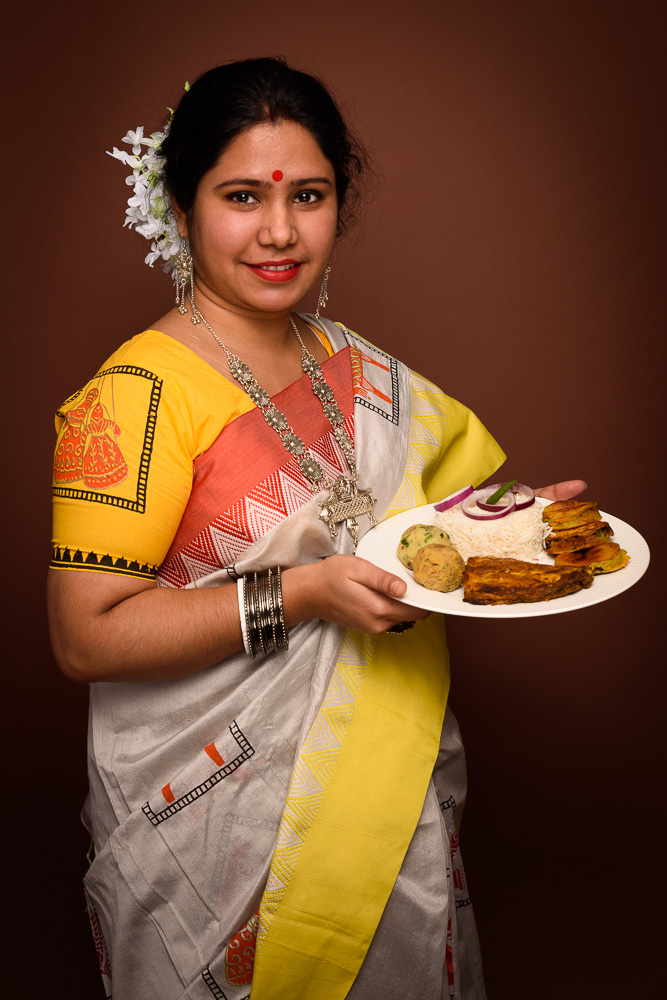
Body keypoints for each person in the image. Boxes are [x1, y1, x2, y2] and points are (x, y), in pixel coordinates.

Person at [48, 57, 584, 1000]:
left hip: (380, 795)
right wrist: (303, 594)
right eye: (242, 197)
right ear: (180, 208)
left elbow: (408, 530)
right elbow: (84, 637)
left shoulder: (356, 364)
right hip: (216, 825)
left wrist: (506, 527)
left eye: (309, 194)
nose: (279, 231)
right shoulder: (135, 397)